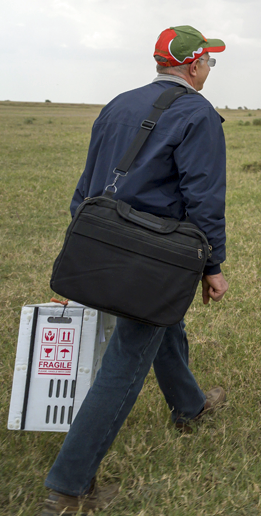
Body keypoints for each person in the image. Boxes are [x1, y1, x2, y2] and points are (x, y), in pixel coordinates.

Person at [39, 25, 230, 515]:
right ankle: (67, 487)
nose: (210, 70)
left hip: (103, 241)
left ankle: (190, 406)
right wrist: (212, 264)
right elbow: (203, 199)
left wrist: (82, 249)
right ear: (193, 65)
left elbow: (88, 184)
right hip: (155, 256)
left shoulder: (119, 102)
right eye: (210, 62)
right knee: (125, 362)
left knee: (159, 323)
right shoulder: (199, 114)